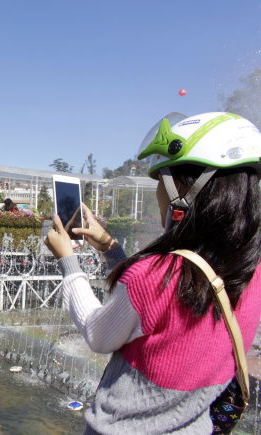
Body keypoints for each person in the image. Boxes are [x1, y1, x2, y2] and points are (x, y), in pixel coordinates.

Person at [45, 112, 261, 434]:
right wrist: (110, 247)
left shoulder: (152, 275)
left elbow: (98, 334)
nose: (158, 195)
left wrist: (67, 261)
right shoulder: (251, 270)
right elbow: (161, 301)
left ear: (186, 189)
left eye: (161, 181)